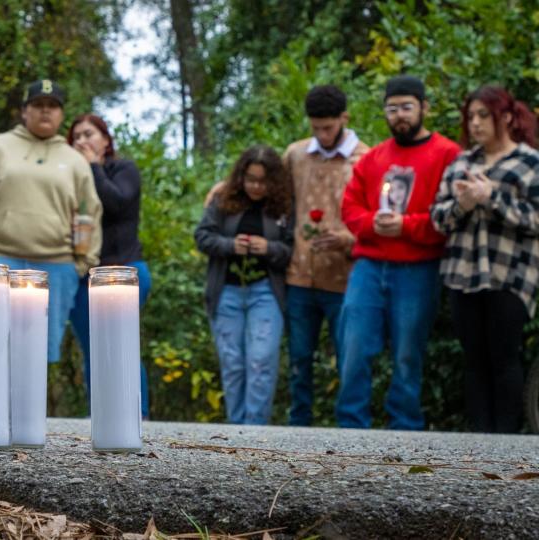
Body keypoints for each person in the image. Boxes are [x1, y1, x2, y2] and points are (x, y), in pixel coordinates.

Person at [337, 75, 461, 430]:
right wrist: (372, 223)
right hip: (369, 265)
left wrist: (407, 226)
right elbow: (350, 207)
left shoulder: (448, 154)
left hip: (418, 267)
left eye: (407, 107)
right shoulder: (373, 158)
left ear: (424, 107)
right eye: (392, 109)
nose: (400, 116)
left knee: (408, 351)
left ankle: (405, 428)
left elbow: (450, 215)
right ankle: (350, 427)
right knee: (354, 346)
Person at [0, 79, 102, 365]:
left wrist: (83, 263)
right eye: (38, 105)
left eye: (53, 106)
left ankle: (29, 411)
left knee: (39, 353)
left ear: (61, 114)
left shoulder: (73, 160)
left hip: (56, 267)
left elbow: (90, 211)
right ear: (24, 111)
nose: (45, 112)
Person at [430, 85, 539, 433]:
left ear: (505, 117)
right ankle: (479, 441)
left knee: (504, 355)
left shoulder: (529, 162)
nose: (475, 123)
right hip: (463, 273)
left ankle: (506, 441)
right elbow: (437, 217)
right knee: (474, 358)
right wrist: (463, 204)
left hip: (511, 274)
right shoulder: (462, 162)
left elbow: (535, 219)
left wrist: (492, 197)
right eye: (471, 116)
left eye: (483, 115)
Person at [282, 85, 369, 426]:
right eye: (315, 127)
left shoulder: (364, 157)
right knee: (299, 358)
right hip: (299, 273)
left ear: (344, 119)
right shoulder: (295, 154)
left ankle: (352, 430)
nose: (322, 134)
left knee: (349, 357)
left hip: (345, 276)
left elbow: (377, 212)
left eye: (328, 127)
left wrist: (348, 238)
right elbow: (268, 189)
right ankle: (298, 427)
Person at [194, 145, 294, 425]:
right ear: (241, 176)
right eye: (250, 179)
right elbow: (202, 236)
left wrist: (268, 248)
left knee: (261, 360)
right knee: (232, 362)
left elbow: (291, 249)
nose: (256, 186)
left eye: (263, 181)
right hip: (226, 290)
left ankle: (255, 429)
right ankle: (236, 427)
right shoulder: (223, 199)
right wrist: (230, 245)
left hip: (265, 291)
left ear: (273, 181)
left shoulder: (284, 206)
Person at [66, 113, 151, 418]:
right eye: (76, 137)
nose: (82, 141)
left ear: (105, 139)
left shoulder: (123, 169)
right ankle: (100, 415)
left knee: (122, 344)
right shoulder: (69, 177)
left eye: (89, 134)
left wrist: (93, 167)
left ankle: (135, 415)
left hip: (125, 271)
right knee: (93, 349)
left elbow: (116, 202)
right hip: (83, 275)